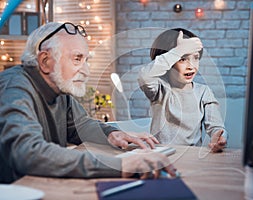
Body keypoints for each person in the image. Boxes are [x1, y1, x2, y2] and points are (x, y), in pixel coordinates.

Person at [0, 22, 176, 183]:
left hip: (42, 185)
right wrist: (120, 165)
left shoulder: (58, 88)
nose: (86, 71)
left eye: (86, 60)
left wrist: (112, 133)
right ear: (45, 61)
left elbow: (80, 126)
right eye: (77, 59)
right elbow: (29, 153)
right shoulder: (13, 89)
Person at [138, 28, 228, 153]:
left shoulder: (203, 92)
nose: (191, 66)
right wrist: (178, 51)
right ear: (168, 61)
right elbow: (144, 76)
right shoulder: (160, 89)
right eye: (182, 59)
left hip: (192, 157)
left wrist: (219, 137)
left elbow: (216, 127)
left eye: (196, 58)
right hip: (162, 155)